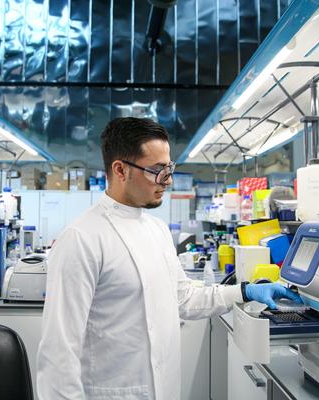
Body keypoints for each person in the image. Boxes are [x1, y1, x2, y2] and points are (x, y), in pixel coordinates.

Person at [36, 117, 302, 400]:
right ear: (120, 170)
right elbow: (58, 355)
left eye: (169, 168)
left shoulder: (157, 230)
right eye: (157, 170)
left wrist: (244, 291)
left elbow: (183, 299)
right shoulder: (82, 238)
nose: (168, 180)